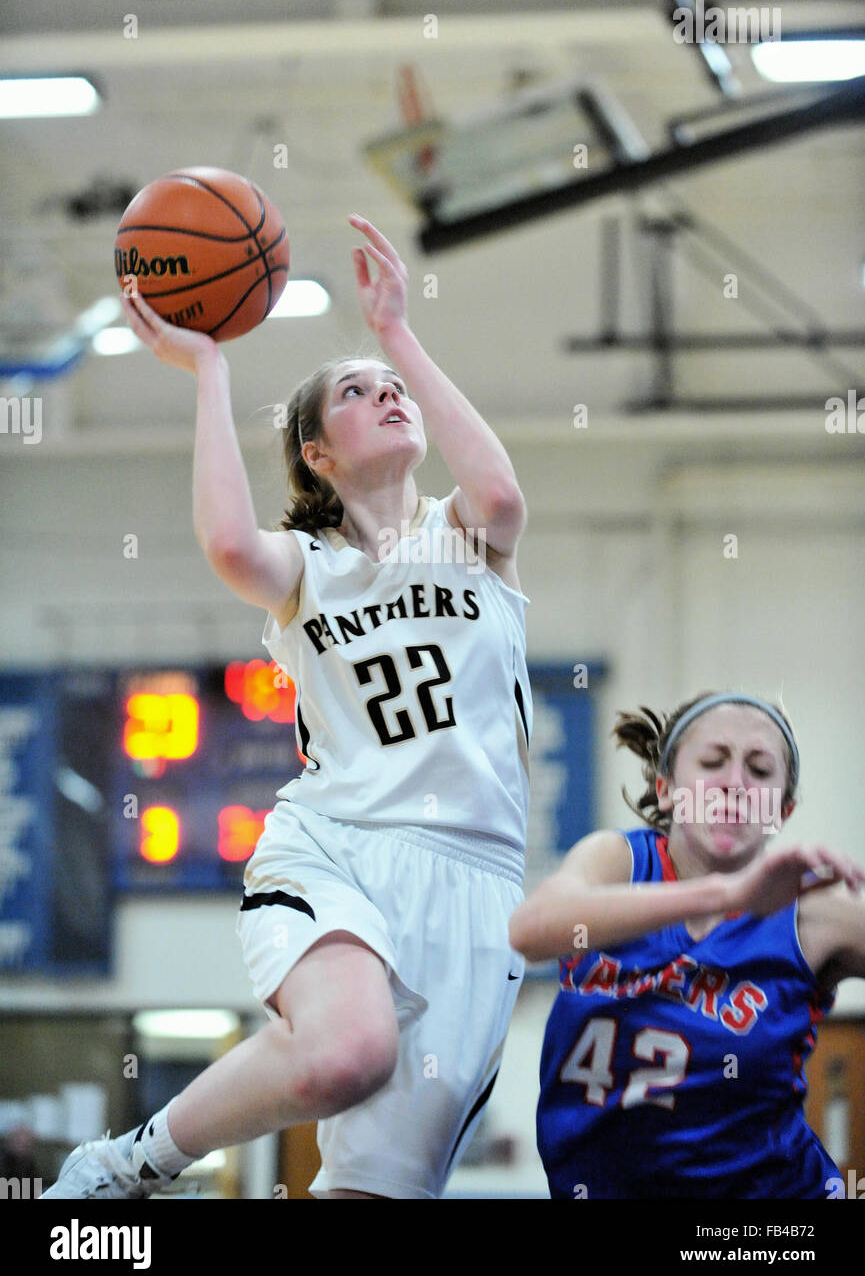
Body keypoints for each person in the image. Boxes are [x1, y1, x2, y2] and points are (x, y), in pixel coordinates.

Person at [42, 214, 532, 1200]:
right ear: (317, 452)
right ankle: (127, 1164)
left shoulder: (466, 534)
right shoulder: (309, 568)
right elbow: (228, 544)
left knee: (377, 1190)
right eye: (355, 392)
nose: (386, 395)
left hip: (476, 881)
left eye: (392, 390)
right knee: (341, 1052)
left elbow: (501, 488)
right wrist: (211, 370)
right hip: (339, 842)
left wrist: (397, 334)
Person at [509, 691, 865, 1199]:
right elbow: (529, 930)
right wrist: (728, 893)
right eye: (713, 762)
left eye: (760, 771)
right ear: (667, 788)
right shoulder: (618, 864)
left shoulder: (813, 913)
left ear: (781, 811)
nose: (736, 783)